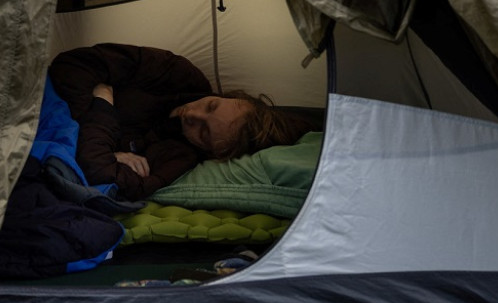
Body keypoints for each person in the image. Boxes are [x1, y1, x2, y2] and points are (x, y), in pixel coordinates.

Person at [48, 43, 315, 200]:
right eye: (211, 105)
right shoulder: (177, 73)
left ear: (213, 152)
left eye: (204, 132)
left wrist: (103, 107)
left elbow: (104, 173)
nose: (192, 115)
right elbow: (73, 64)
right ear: (223, 95)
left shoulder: (178, 156)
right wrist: (95, 136)